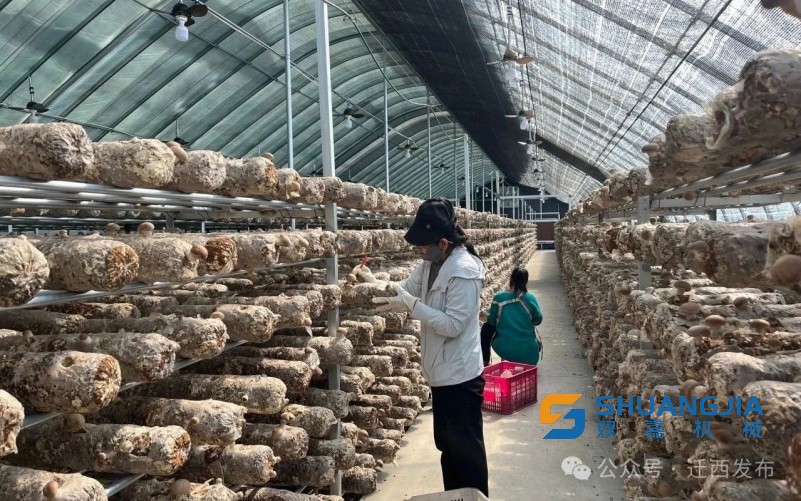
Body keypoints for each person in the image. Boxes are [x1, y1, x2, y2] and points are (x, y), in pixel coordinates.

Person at [371, 198, 489, 497]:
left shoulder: (464, 270)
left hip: (460, 377)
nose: (420, 251)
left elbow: (452, 325)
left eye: (423, 246)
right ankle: (455, 496)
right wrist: (372, 284)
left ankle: (474, 497)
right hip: (440, 373)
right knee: (448, 448)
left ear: (444, 243)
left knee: (466, 452)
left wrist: (414, 307)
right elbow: (405, 289)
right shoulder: (430, 264)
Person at [481, 267, 543, 366]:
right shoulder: (530, 298)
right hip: (530, 352)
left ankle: (485, 360)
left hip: (504, 348)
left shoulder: (499, 298)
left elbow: (492, 322)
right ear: (525, 281)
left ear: (511, 279)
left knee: (486, 328)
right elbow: (537, 320)